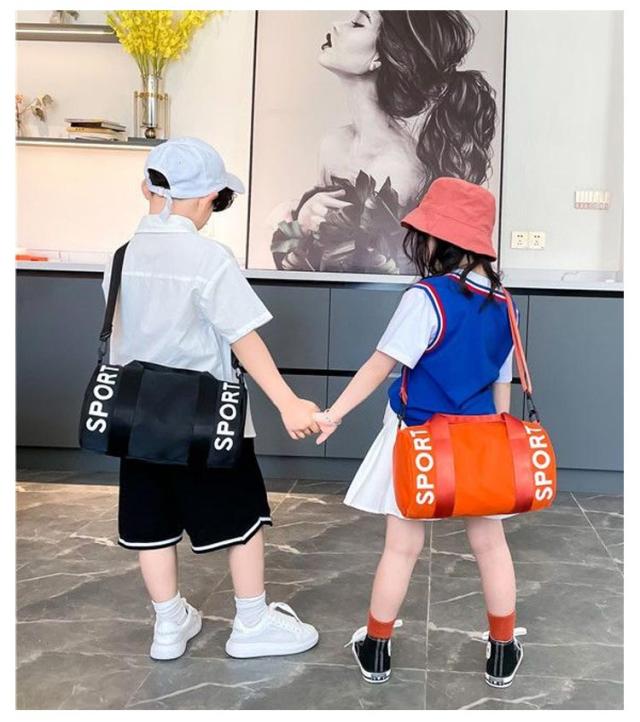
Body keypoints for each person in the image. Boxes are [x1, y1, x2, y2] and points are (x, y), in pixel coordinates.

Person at [102, 137, 320, 662]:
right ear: (207, 198)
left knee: (151, 521)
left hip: (138, 418)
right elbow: (243, 336)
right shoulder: (208, 258)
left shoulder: (121, 257)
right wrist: (289, 402)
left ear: (146, 188)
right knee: (240, 516)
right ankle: (251, 623)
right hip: (207, 417)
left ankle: (168, 625)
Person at [313, 177, 526, 687]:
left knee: (401, 548)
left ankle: (376, 648)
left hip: (419, 439)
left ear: (439, 239)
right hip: (480, 438)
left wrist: (334, 413)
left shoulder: (427, 297)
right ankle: (502, 651)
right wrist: (498, 438)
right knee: (491, 546)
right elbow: (503, 382)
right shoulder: (504, 303)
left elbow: (380, 364)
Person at [270, 10, 497, 274]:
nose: (336, 24)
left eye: (357, 24)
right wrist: (304, 219)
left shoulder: (406, 169)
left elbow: (411, 266)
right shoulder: (332, 145)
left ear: (379, 58)